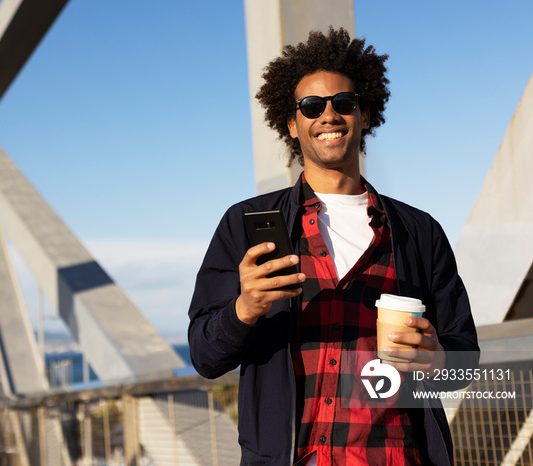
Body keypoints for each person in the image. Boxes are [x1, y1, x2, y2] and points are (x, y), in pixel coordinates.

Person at [188, 27, 478, 466]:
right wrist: (245, 308)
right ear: (291, 123)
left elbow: (464, 362)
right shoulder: (244, 225)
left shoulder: (420, 232)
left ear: (364, 115)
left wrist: (437, 358)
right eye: (311, 106)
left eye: (344, 103)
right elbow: (205, 356)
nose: (329, 115)